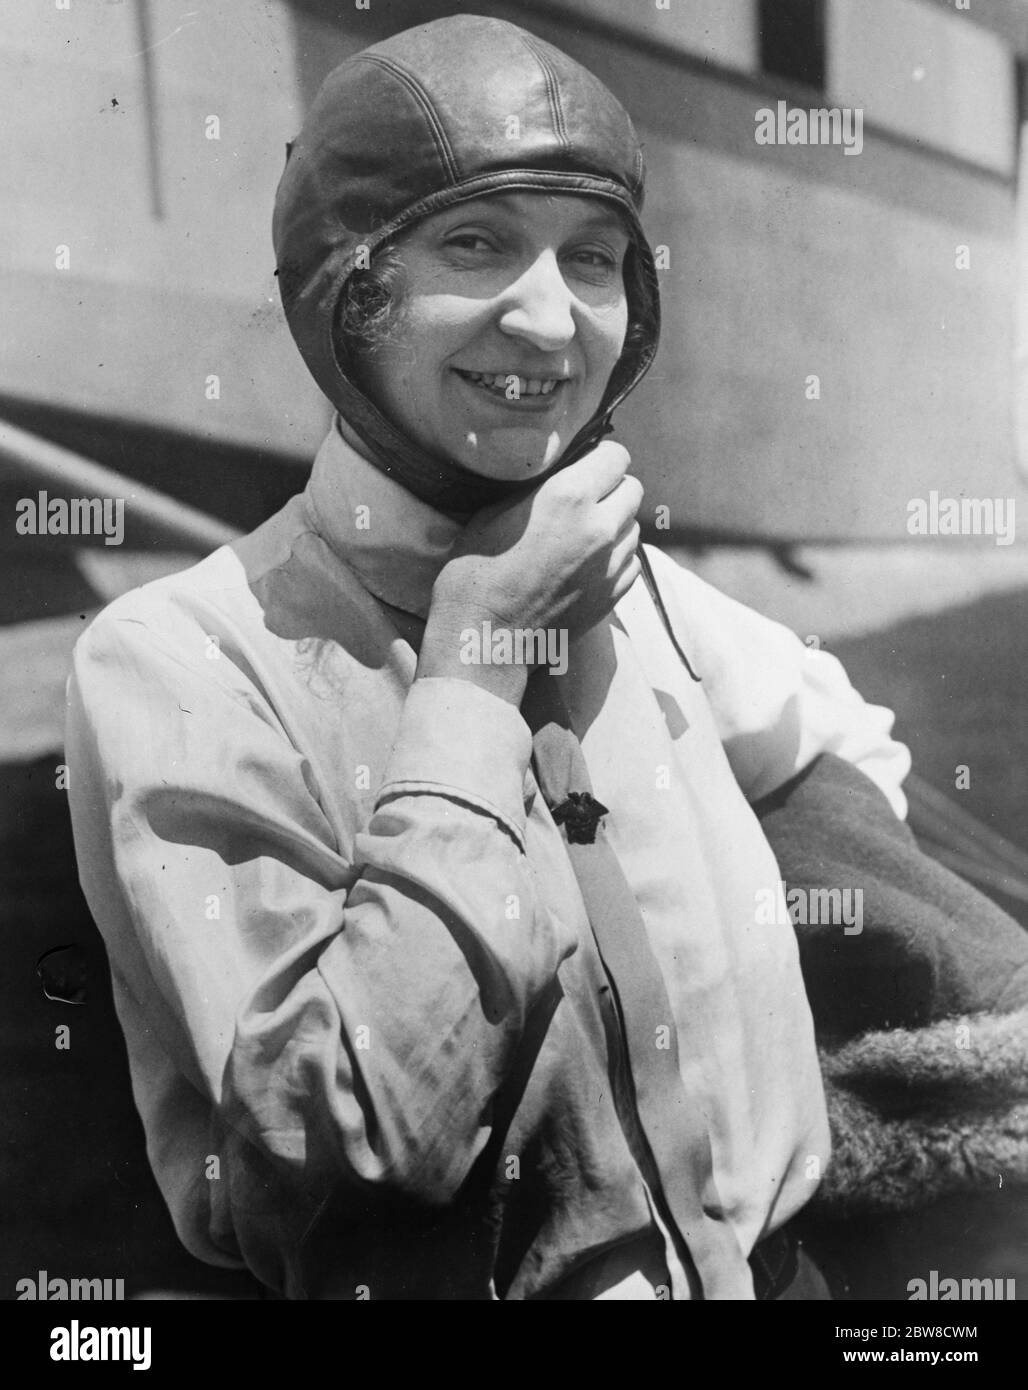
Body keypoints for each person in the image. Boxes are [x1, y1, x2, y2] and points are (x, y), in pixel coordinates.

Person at [65, 14, 911, 1300]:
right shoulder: (177, 658)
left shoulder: (633, 577)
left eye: (594, 259)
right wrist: (471, 669)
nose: (549, 320)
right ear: (345, 287)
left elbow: (847, 747)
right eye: (474, 244)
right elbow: (352, 1138)